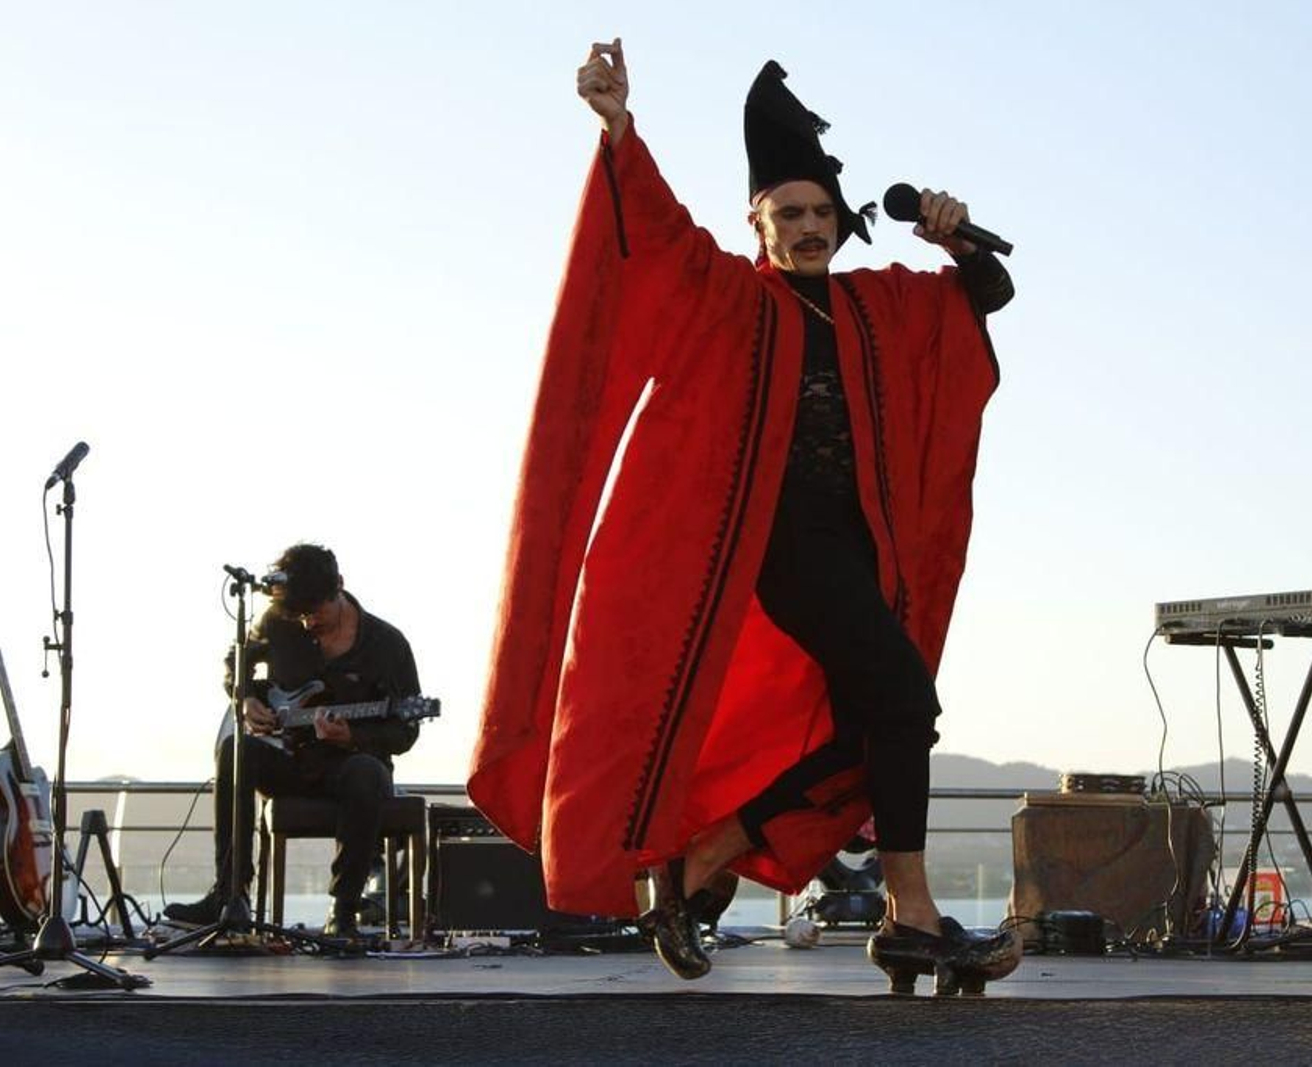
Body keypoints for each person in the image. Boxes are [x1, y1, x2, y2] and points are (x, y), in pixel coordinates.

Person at [469, 41, 1016, 991]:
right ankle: (910, 914)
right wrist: (618, 128)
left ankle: (707, 861)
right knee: (898, 696)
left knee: (891, 718)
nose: (808, 228)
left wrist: (956, 236)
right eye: (788, 213)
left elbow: (984, 298)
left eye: (820, 214)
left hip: (860, 550)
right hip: (781, 552)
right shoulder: (731, 299)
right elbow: (652, 231)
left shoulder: (875, 305)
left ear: (843, 225)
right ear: (757, 222)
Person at [165, 543, 422, 938]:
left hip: (347, 764)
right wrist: (246, 696)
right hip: (288, 759)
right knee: (236, 751)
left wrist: (352, 735)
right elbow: (237, 661)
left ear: (339, 586)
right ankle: (229, 893)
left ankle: (344, 910)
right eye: (299, 615)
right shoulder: (276, 622)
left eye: (315, 612)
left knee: (366, 774)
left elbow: (405, 732)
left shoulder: (387, 645)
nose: (307, 623)